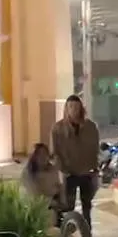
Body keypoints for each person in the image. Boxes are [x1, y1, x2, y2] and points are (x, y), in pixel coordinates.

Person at [50, 94, 101, 228]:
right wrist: (62, 170)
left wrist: (95, 169)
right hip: (69, 173)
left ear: (81, 109)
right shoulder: (58, 128)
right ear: (66, 108)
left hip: (87, 172)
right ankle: (67, 234)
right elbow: (55, 152)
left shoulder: (91, 127)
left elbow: (95, 149)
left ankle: (87, 235)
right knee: (68, 207)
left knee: (87, 206)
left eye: (76, 107)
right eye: (71, 107)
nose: (74, 110)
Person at [21, 142, 66, 221]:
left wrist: (61, 200)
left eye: (45, 154)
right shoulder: (28, 174)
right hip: (37, 207)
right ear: (34, 157)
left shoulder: (53, 169)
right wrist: (51, 202)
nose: (43, 157)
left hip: (53, 205)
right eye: (40, 155)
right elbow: (34, 195)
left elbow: (59, 186)